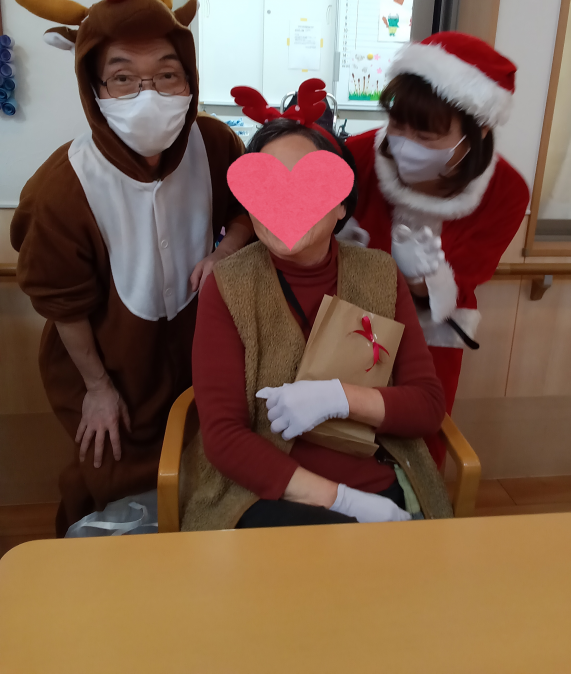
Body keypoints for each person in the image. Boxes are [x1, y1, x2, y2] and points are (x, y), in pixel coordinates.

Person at [10, 0, 252, 535]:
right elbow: (61, 301)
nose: (149, 95)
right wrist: (97, 387)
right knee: (109, 475)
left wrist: (227, 251)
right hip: (109, 363)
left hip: (199, 352)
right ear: (94, 88)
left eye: (167, 75)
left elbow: (248, 209)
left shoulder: (215, 143)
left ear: (189, 77)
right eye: (123, 78)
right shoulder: (62, 187)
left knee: (206, 475)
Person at [180, 84, 451, 531]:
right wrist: (342, 501)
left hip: (377, 479)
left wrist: (339, 398)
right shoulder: (228, 286)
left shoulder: (380, 276)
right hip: (262, 491)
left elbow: (426, 406)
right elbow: (225, 439)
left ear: (342, 204)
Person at [343, 32, 530, 467]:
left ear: (478, 130)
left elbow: (464, 280)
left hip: (430, 340)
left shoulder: (505, 190)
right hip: (347, 326)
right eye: (397, 124)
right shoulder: (355, 157)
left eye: (426, 134)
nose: (404, 142)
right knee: (341, 434)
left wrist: (423, 279)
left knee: (417, 448)